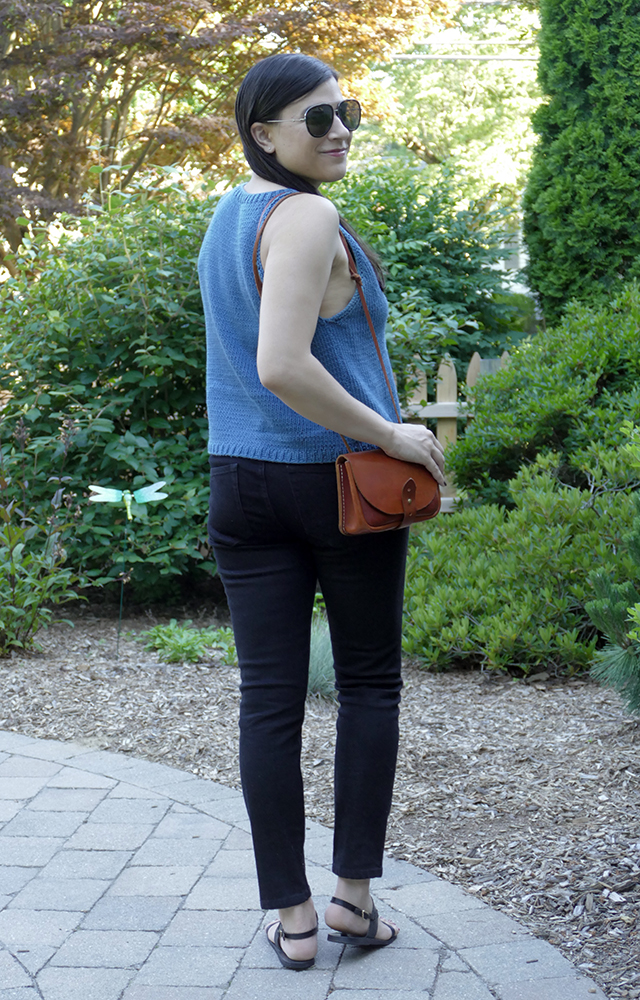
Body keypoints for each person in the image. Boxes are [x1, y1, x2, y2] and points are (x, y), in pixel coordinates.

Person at [198, 52, 445, 972]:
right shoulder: (307, 216)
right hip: (337, 481)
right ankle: (352, 900)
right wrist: (392, 433)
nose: (338, 128)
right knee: (368, 686)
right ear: (264, 133)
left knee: (267, 699)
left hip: (241, 482)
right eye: (316, 117)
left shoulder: (231, 213)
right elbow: (281, 364)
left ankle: (293, 920)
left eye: (346, 111)